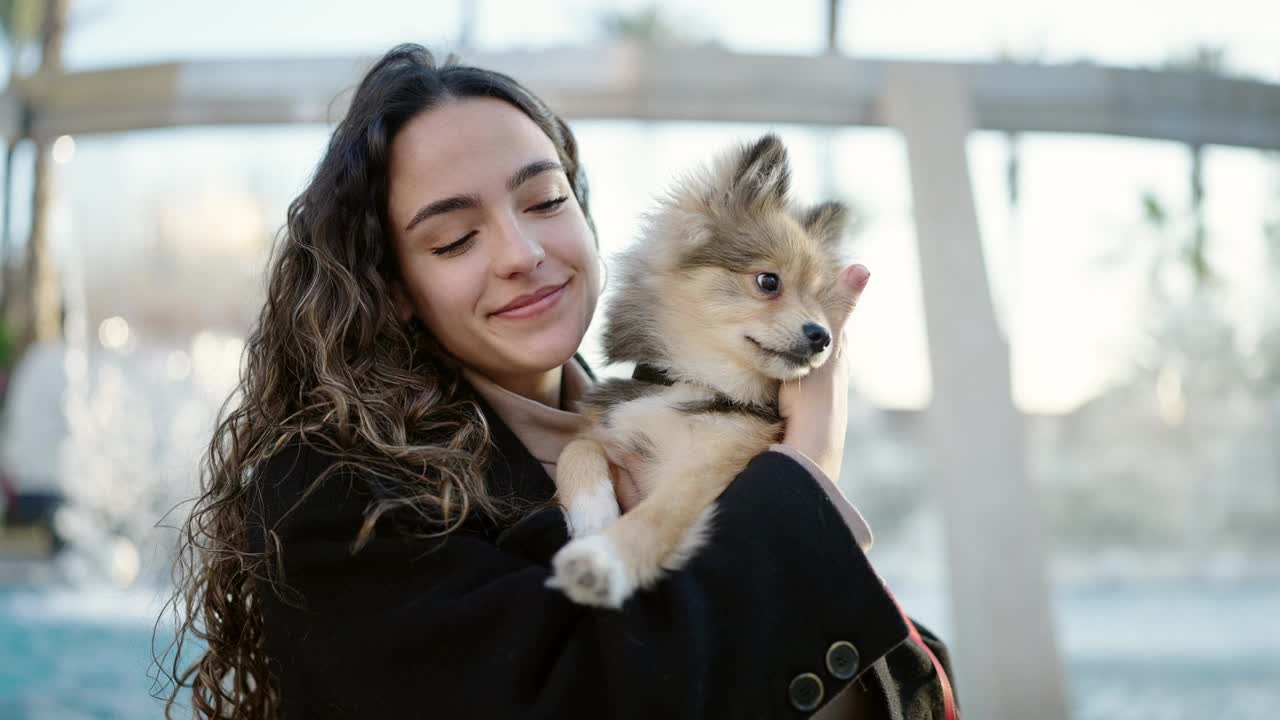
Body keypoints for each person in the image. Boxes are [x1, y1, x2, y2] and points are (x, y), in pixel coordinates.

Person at [159, 44, 957, 720]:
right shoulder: (332, 503)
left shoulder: (670, 418)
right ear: (393, 290)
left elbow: (907, 671)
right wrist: (803, 472)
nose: (521, 253)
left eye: (545, 199)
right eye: (454, 238)